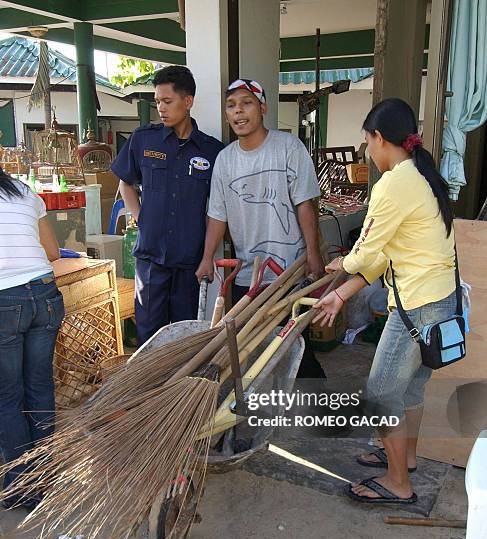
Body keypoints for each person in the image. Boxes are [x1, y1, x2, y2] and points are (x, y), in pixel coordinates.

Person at [312, 98, 457, 504]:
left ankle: (398, 485)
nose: (366, 151)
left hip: (416, 307)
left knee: (380, 393)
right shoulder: (422, 177)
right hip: (437, 304)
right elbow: (387, 255)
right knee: (408, 392)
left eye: (366, 142)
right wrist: (341, 294)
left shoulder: (394, 183)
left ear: (379, 138)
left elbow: (365, 253)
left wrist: (340, 263)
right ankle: (405, 461)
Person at [196, 78, 326, 378]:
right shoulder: (225, 160)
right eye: (231, 106)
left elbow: (305, 205)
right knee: (255, 348)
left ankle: (318, 412)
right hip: (248, 274)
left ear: (263, 108)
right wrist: (206, 258)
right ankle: (270, 412)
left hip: (289, 271)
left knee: (295, 346)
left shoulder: (288, 148)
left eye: (246, 103)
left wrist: (313, 253)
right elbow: (218, 215)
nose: (238, 112)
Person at [112, 66, 225, 346]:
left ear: (187, 102)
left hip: (190, 263)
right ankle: (151, 389)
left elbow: (218, 209)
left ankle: (179, 389)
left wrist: (207, 257)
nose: (160, 108)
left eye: (167, 101)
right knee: (149, 337)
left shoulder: (212, 151)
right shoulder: (143, 139)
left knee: (186, 337)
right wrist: (140, 218)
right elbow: (125, 183)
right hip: (151, 261)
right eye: (157, 102)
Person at [0, 168, 64, 510]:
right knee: (39, 386)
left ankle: (20, 486)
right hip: (45, 293)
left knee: (8, 397)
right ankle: (45, 474)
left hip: (5, 299)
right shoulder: (23, 191)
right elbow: (53, 252)